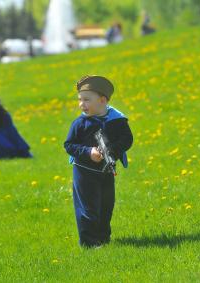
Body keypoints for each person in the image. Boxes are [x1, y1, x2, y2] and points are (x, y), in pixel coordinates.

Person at [64, 75, 133, 248]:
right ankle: (89, 243)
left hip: (106, 170)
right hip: (84, 171)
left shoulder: (117, 120)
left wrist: (111, 151)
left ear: (103, 100)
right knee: (88, 208)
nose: (81, 104)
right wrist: (88, 152)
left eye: (87, 100)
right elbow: (69, 145)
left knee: (106, 205)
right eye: (80, 100)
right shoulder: (80, 123)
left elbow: (127, 139)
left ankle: (103, 238)